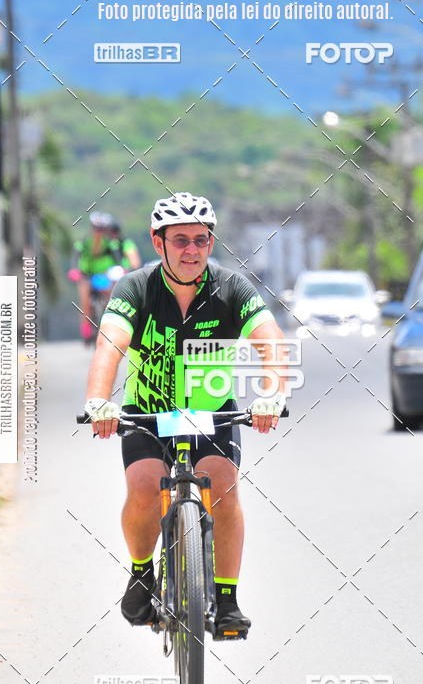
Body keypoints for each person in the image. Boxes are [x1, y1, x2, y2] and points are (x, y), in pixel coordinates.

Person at [83, 192, 287, 638]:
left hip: (212, 414)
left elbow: (270, 340)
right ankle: (141, 573)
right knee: (142, 488)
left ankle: (228, 600)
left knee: (224, 490)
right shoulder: (136, 287)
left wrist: (272, 392)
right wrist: (99, 400)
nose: (192, 250)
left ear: (211, 243)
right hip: (148, 412)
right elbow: (111, 343)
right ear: (158, 244)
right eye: (180, 241)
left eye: (201, 240)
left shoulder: (231, 287)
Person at [72, 212, 141, 343]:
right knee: (85, 300)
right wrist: (75, 269)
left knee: (110, 298)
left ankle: (110, 323)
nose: (99, 232)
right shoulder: (85, 240)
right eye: (96, 229)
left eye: (102, 229)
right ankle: (86, 328)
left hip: (103, 274)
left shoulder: (109, 242)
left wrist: (121, 268)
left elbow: (117, 257)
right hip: (86, 274)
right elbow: (76, 255)